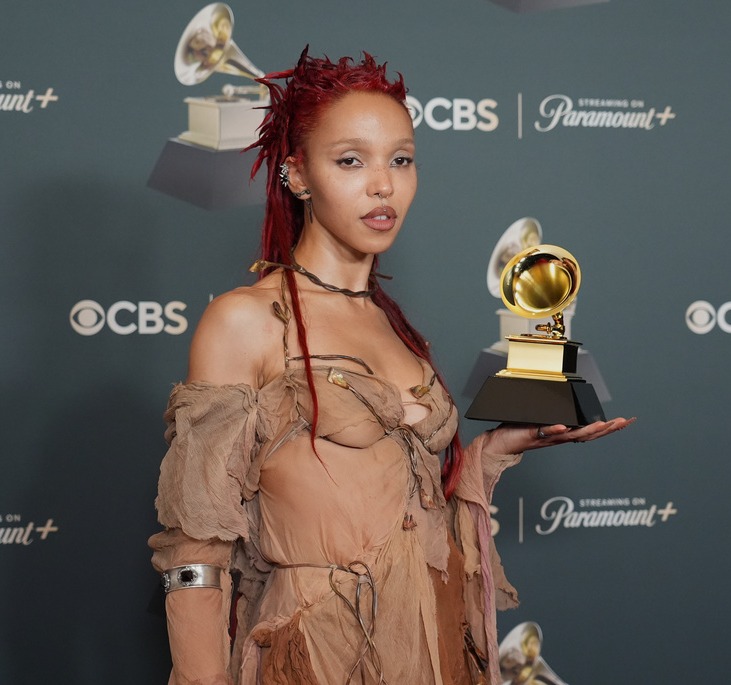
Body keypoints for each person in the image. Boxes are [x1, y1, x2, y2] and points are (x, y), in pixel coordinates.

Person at [149, 48, 632, 685]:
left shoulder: (393, 326)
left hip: (429, 641)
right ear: (297, 175)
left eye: (401, 160)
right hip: (317, 651)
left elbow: (420, 523)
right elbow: (198, 549)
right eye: (351, 161)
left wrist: (495, 452)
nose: (384, 185)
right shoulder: (246, 320)